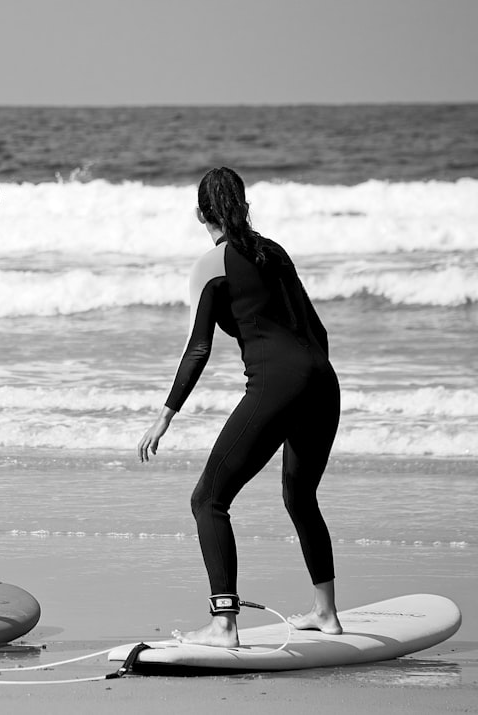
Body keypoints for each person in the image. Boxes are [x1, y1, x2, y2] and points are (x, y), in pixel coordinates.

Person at [137, 166, 342, 647]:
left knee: (208, 499)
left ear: (200, 213)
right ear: (243, 205)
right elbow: (319, 331)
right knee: (300, 496)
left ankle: (224, 624)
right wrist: (306, 381)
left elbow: (198, 349)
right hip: (323, 381)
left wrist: (164, 415)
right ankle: (326, 613)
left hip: (278, 384)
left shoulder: (212, 264)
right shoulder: (272, 250)